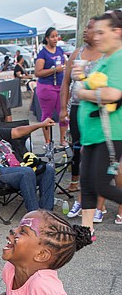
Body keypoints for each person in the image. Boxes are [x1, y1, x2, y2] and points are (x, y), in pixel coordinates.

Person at [76, 9, 122, 237]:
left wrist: (83, 92)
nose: (96, 37)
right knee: (87, 181)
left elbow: (113, 93)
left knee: (101, 184)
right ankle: (86, 230)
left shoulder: (119, 58)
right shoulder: (106, 58)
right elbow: (96, 86)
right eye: (95, 32)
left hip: (111, 132)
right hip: (94, 132)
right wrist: (82, 80)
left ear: (117, 32)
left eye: (101, 32)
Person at [0, 110, 55, 212]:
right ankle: (34, 214)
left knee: (47, 169)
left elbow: (17, 131)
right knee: (27, 172)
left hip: (13, 171)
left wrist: (41, 125)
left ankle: (47, 212)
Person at [59, 17, 101, 197]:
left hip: (97, 109)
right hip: (76, 107)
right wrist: (62, 109)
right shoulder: (77, 54)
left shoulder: (106, 55)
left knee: (95, 148)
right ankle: (75, 180)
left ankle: (96, 185)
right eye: (85, 27)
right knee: (76, 144)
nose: (85, 31)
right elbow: (65, 83)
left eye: (90, 28)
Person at [35, 27, 67, 146]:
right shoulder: (43, 53)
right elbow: (38, 72)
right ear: (47, 38)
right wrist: (54, 70)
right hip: (47, 87)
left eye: (56, 36)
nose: (55, 39)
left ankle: (62, 139)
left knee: (63, 113)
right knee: (47, 114)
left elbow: (65, 64)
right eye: (52, 36)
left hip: (60, 85)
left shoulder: (59, 50)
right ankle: (47, 141)